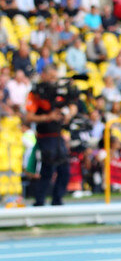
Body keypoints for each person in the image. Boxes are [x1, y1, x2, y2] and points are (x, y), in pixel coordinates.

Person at [23, 66, 80, 206]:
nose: (54, 81)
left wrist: (68, 115)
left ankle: (57, 199)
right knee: (48, 169)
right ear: (44, 75)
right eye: (51, 77)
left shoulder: (58, 92)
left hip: (58, 135)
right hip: (45, 136)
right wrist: (48, 117)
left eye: (55, 77)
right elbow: (29, 117)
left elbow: (72, 105)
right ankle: (40, 201)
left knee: (64, 169)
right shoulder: (37, 93)